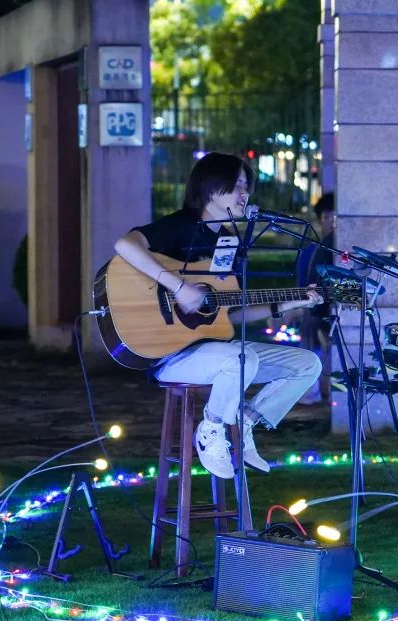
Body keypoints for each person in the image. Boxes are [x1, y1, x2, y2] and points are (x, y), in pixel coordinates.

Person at [113, 152, 323, 480]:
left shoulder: (229, 240)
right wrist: (177, 286)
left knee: (307, 364)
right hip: (170, 353)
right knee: (241, 359)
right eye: (237, 185)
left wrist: (288, 304)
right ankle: (211, 429)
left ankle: (245, 421)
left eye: (246, 186)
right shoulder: (182, 225)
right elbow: (125, 245)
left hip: (216, 352)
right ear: (210, 188)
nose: (245, 194)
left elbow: (227, 316)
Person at [292, 192, 335, 405]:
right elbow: (302, 286)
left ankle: (324, 391)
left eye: (337, 217)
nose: (333, 223)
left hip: (334, 313)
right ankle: (313, 391)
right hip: (315, 312)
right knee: (311, 329)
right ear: (320, 220)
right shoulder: (311, 251)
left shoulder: (340, 248)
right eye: (328, 217)